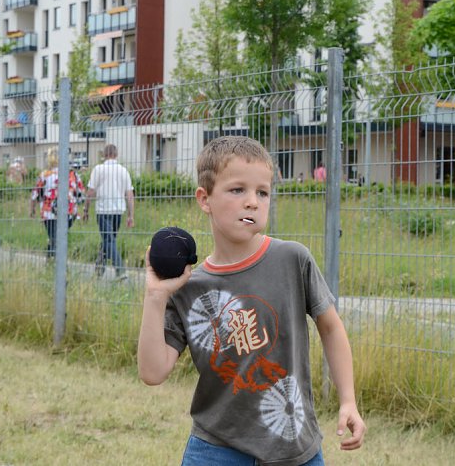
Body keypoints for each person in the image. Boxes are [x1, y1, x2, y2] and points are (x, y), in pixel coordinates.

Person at [138, 136, 365, 465]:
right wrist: (156, 296)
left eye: (262, 192)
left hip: (293, 444)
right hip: (215, 449)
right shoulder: (189, 287)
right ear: (205, 199)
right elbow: (152, 372)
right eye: (237, 190)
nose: (252, 202)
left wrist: (348, 401)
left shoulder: (292, 259)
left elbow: (330, 328)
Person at [83, 144, 134, 279]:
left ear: (104, 155)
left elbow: (90, 192)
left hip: (103, 210)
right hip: (118, 210)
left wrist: (86, 209)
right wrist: (131, 215)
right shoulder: (124, 171)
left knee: (108, 240)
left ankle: (120, 270)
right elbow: (129, 195)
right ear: (116, 154)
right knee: (109, 239)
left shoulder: (98, 169)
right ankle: (99, 269)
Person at [30, 147, 84, 258]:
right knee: (60, 237)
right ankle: (54, 263)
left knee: (54, 237)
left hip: (49, 212)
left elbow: (35, 194)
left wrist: (32, 209)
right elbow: (81, 194)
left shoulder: (45, 175)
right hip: (69, 212)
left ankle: (54, 263)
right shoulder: (72, 174)